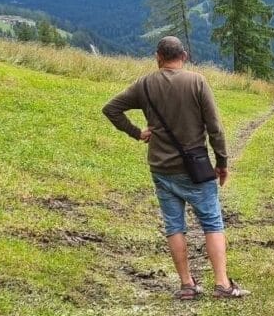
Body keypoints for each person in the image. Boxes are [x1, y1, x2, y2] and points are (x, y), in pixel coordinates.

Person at [102, 36, 250, 300]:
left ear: (158, 57)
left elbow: (111, 109)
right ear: (183, 55)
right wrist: (222, 162)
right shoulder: (197, 82)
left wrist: (137, 133)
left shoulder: (145, 84)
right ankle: (222, 284)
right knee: (212, 223)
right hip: (196, 169)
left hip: (161, 168)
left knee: (175, 226)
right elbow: (214, 128)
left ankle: (186, 285)